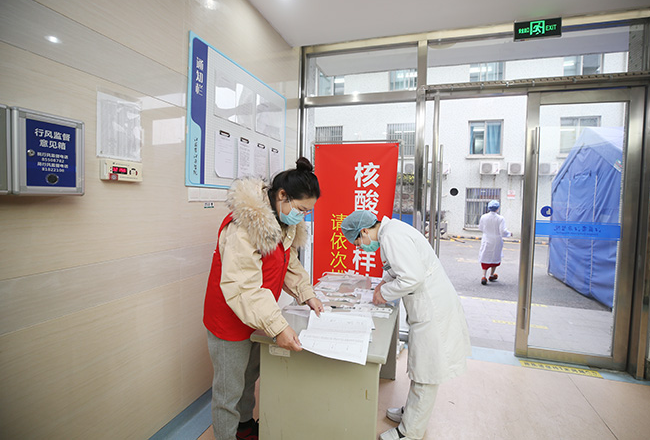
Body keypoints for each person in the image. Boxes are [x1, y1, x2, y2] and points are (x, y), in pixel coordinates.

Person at [203, 157, 324, 440]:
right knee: (228, 391)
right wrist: (278, 327)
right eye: (301, 209)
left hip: (256, 315)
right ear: (282, 195)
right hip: (229, 319)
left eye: (307, 212)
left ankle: (244, 427)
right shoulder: (243, 228)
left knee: (248, 378)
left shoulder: (281, 222)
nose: (303, 217)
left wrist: (307, 294)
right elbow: (243, 287)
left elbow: (287, 262)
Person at [341, 210, 471, 440]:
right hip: (428, 307)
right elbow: (398, 268)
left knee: (426, 373)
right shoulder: (390, 232)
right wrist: (383, 284)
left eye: (358, 242)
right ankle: (411, 413)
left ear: (364, 231)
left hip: (433, 310)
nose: (360, 247)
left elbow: (412, 278)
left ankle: (409, 432)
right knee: (420, 367)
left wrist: (384, 294)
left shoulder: (392, 236)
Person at [478, 200, 512, 285]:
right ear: (498, 208)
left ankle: (484, 276)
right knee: (495, 257)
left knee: (485, 256)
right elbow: (502, 231)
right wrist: (509, 234)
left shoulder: (483, 217)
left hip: (486, 239)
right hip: (496, 240)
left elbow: (480, 228)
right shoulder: (500, 218)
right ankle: (492, 275)